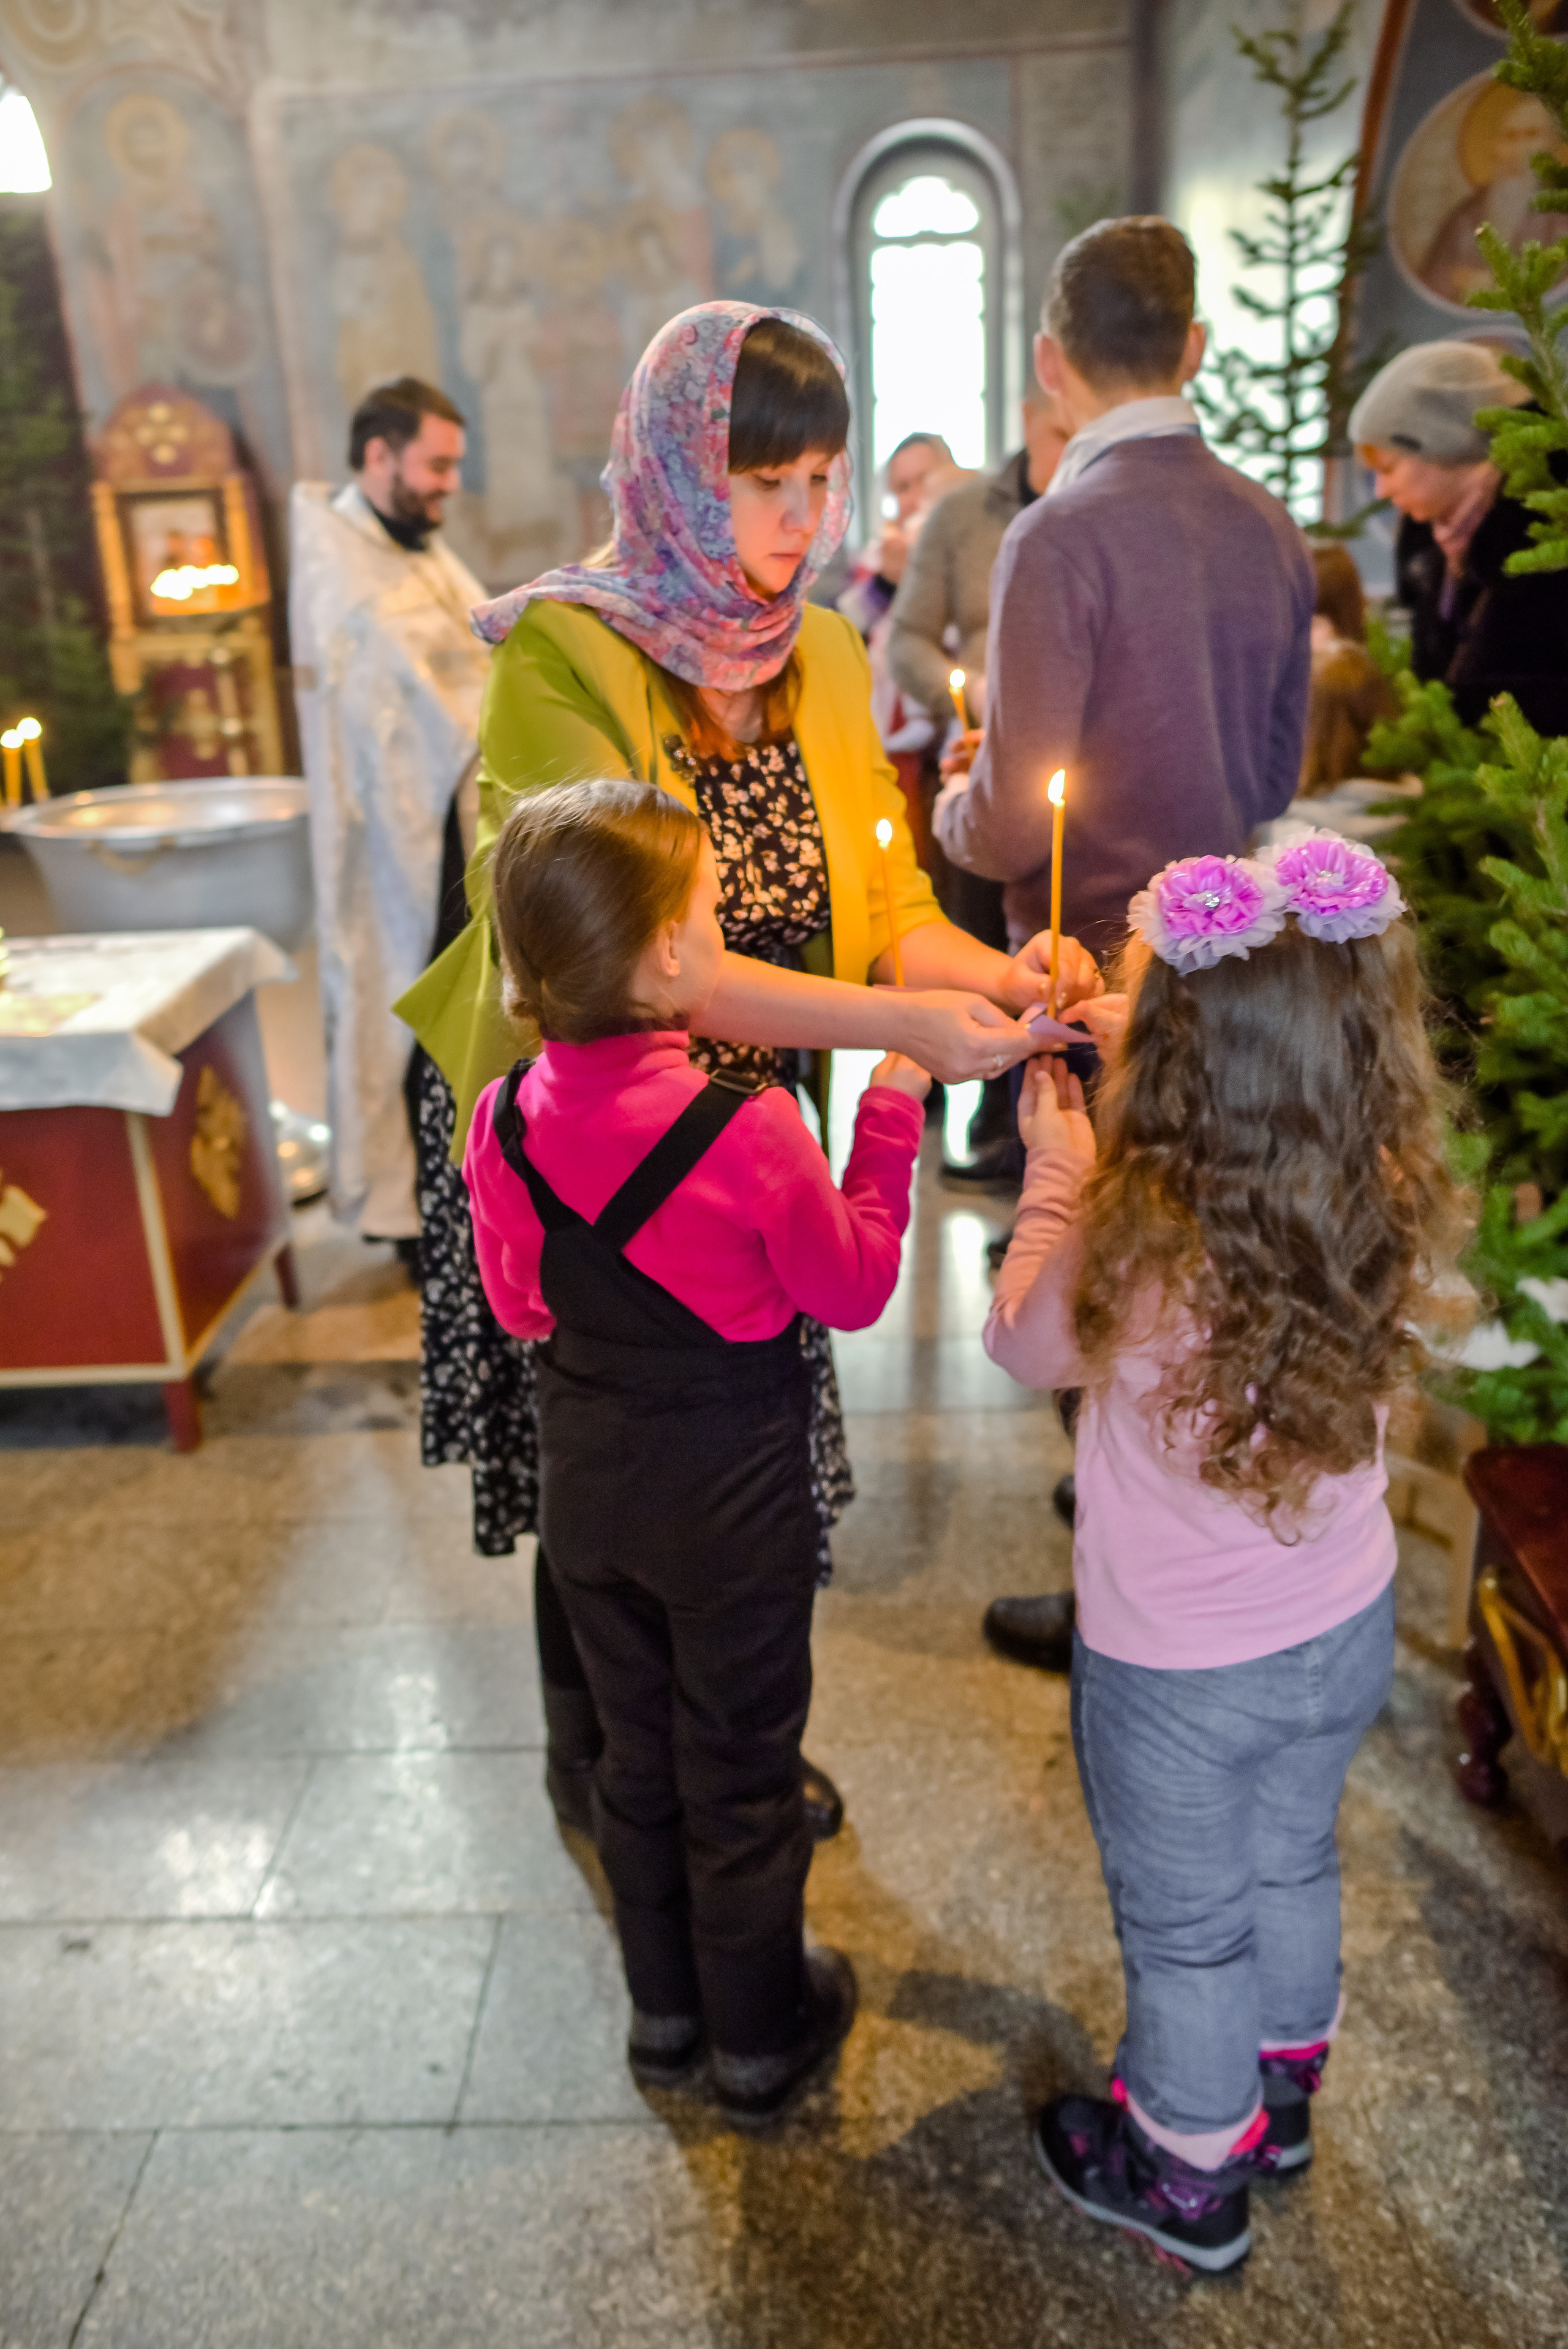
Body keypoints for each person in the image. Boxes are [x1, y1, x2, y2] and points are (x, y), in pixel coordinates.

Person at [393, 301, 1101, 1840]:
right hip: (571, 1144)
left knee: (723, 1483)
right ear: (672, 466)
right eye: (760, 480)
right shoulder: (564, 653)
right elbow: (646, 958)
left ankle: (721, 1763)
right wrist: (900, 1036)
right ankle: (605, 1770)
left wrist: (995, 972)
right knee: (591, 1474)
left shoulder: (828, 654)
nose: (800, 519)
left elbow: (883, 898)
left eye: (823, 480)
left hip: (735, 1152)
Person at [989, 837, 1469, 2273]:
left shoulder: (1136, 1237)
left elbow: (1021, 1340)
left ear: (1179, 1058)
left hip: (1175, 1671)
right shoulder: (1375, 1175)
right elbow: (1262, 1059)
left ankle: (1189, 2175)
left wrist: (1057, 1172)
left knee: (1187, 1928)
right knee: (1290, 1857)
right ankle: (1277, 2087)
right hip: (1339, 1622)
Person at [464, 777, 929, 2124]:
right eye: (711, 912)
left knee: (633, 1752)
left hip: (589, 1498)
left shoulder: (502, 1122)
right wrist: (889, 1122)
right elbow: (847, 1288)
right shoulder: (751, 1127)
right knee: (740, 1764)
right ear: (667, 953)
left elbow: (519, 1306)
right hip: (729, 1504)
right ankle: (757, 2037)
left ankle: (661, 2019)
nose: (720, 931)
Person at [935, 218, 1314, 1675]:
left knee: (1095, 1274)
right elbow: (1274, 768)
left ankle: (1117, 1592)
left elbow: (1006, 811)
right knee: (1196, 1271)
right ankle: (1154, 1496)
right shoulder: (1263, 521)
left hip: (1092, 972)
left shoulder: (1058, 533)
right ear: (1195, 350)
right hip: (1238, 966)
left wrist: (950, 796)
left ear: (1049, 365)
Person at [290, 377, 491, 1254]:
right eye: (437, 464)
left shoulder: (415, 548)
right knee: (408, 1016)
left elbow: (476, 642)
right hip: (396, 845)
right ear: (380, 456)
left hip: (451, 820)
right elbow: (418, 698)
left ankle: (457, 1200)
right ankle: (416, 1220)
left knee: (456, 1018)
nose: (450, 482)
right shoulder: (344, 567)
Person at [888, 394, 1072, 1182]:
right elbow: (908, 637)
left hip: (1068, 763)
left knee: (1063, 937)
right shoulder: (964, 514)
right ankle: (998, 1120)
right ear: (1032, 410)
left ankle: (1058, 1125)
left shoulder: (1095, 505)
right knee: (976, 933)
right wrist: (962, 703)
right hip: (978, 757)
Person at [1351, 339, 1568, 737]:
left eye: (1389, 466)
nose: (1380, 490)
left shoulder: (1551, 532)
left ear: (1443, 444)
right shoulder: (1429, 547)